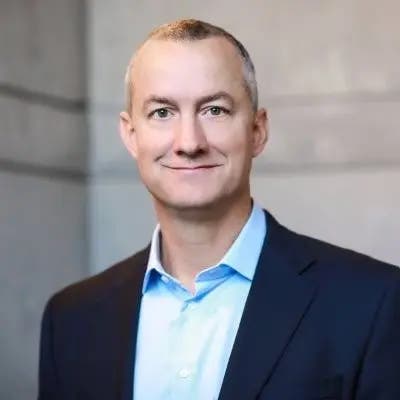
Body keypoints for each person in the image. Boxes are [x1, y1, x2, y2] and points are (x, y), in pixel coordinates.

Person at [38, 19, 400, 400]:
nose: (189, 142)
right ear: (131, 134)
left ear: (257, 131)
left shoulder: (371, 304)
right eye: (162, 113)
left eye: (214, 110)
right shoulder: (71, 321)